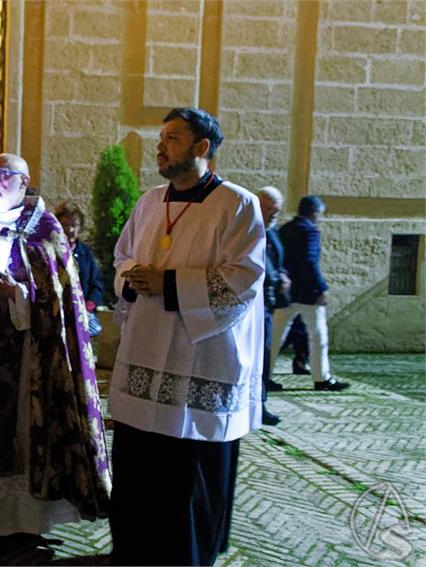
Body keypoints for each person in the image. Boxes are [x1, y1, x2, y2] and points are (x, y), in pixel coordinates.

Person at [109, 108, 265, 566]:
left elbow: (245, 277)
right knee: (138, 470)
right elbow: (121, 255)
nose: (161, 145)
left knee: (187, 478)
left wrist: (171, 285)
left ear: (202, 148)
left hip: (200, 357)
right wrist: (132, 274)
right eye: (161, 137)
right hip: (146, 350)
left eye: (173, 137)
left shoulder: (237, 204)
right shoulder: (149, 201)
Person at [0, 153, 111, 537]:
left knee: (16, 427)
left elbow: (58, 297)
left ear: (25, 180)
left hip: (25, 348)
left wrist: (14, 292)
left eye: (3, 175)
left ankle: (19, 520)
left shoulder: (44, 229)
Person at [271, 195, 349, 391]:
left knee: (275, 337)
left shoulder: (285, 229)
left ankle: (265, 375)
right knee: (318, 336)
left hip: (287, 292)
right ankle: (321, 378)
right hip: (308, 294)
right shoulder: (310, 231)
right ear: (315, 213)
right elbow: (310, 261)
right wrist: (321, 287)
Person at [257, 186, 287, 426]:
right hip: (252, 304)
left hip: (268, 304)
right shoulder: (248, 230)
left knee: (265, 357)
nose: (271, 215)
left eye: (275, 211)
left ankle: (260, 404)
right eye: (267, 210)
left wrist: (281, 276)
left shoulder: (273, 232)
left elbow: (276, 261)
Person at [55, 200, 104, 337]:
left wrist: (90, 304)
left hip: (82, 316)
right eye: (65, 225)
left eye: (74, 225)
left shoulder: (85, 253)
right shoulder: (51, 251)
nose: (70, 230)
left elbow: (97, 283)